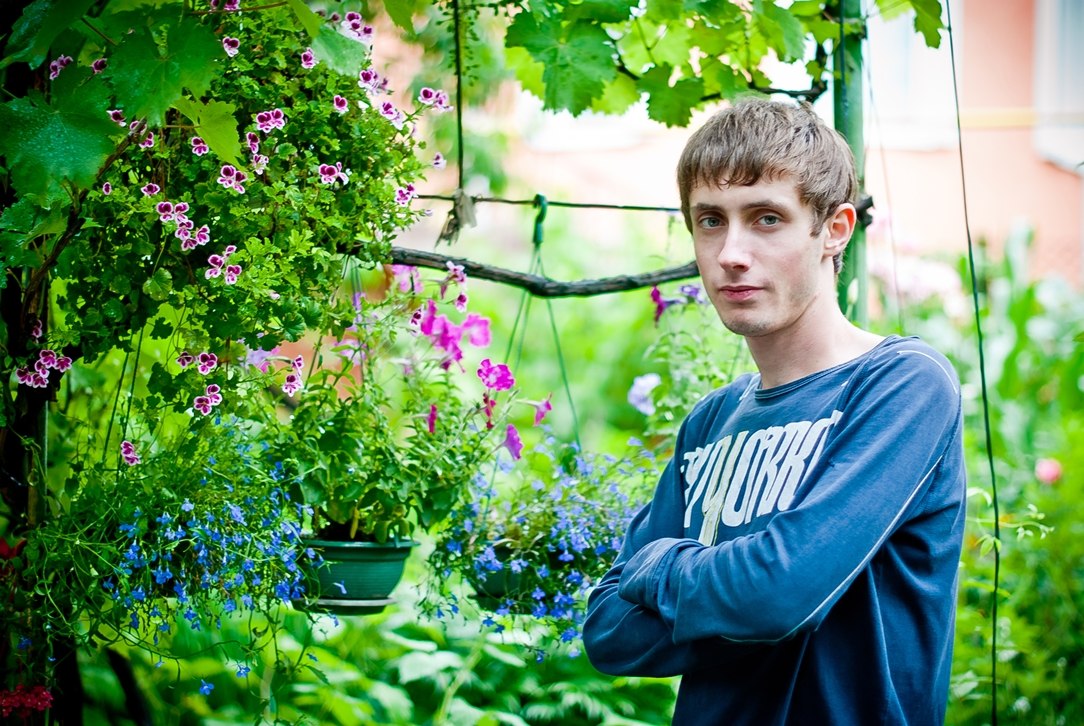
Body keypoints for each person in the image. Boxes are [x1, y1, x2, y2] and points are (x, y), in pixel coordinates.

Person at [582, 98, 966, 725]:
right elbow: (608, 631)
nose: (731, 253)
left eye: (766, 218)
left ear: (834, 229)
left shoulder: (900, 385)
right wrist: (748, 595)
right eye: (711, 221)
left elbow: (778, 596)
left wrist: (658, 567)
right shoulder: (709, 422)